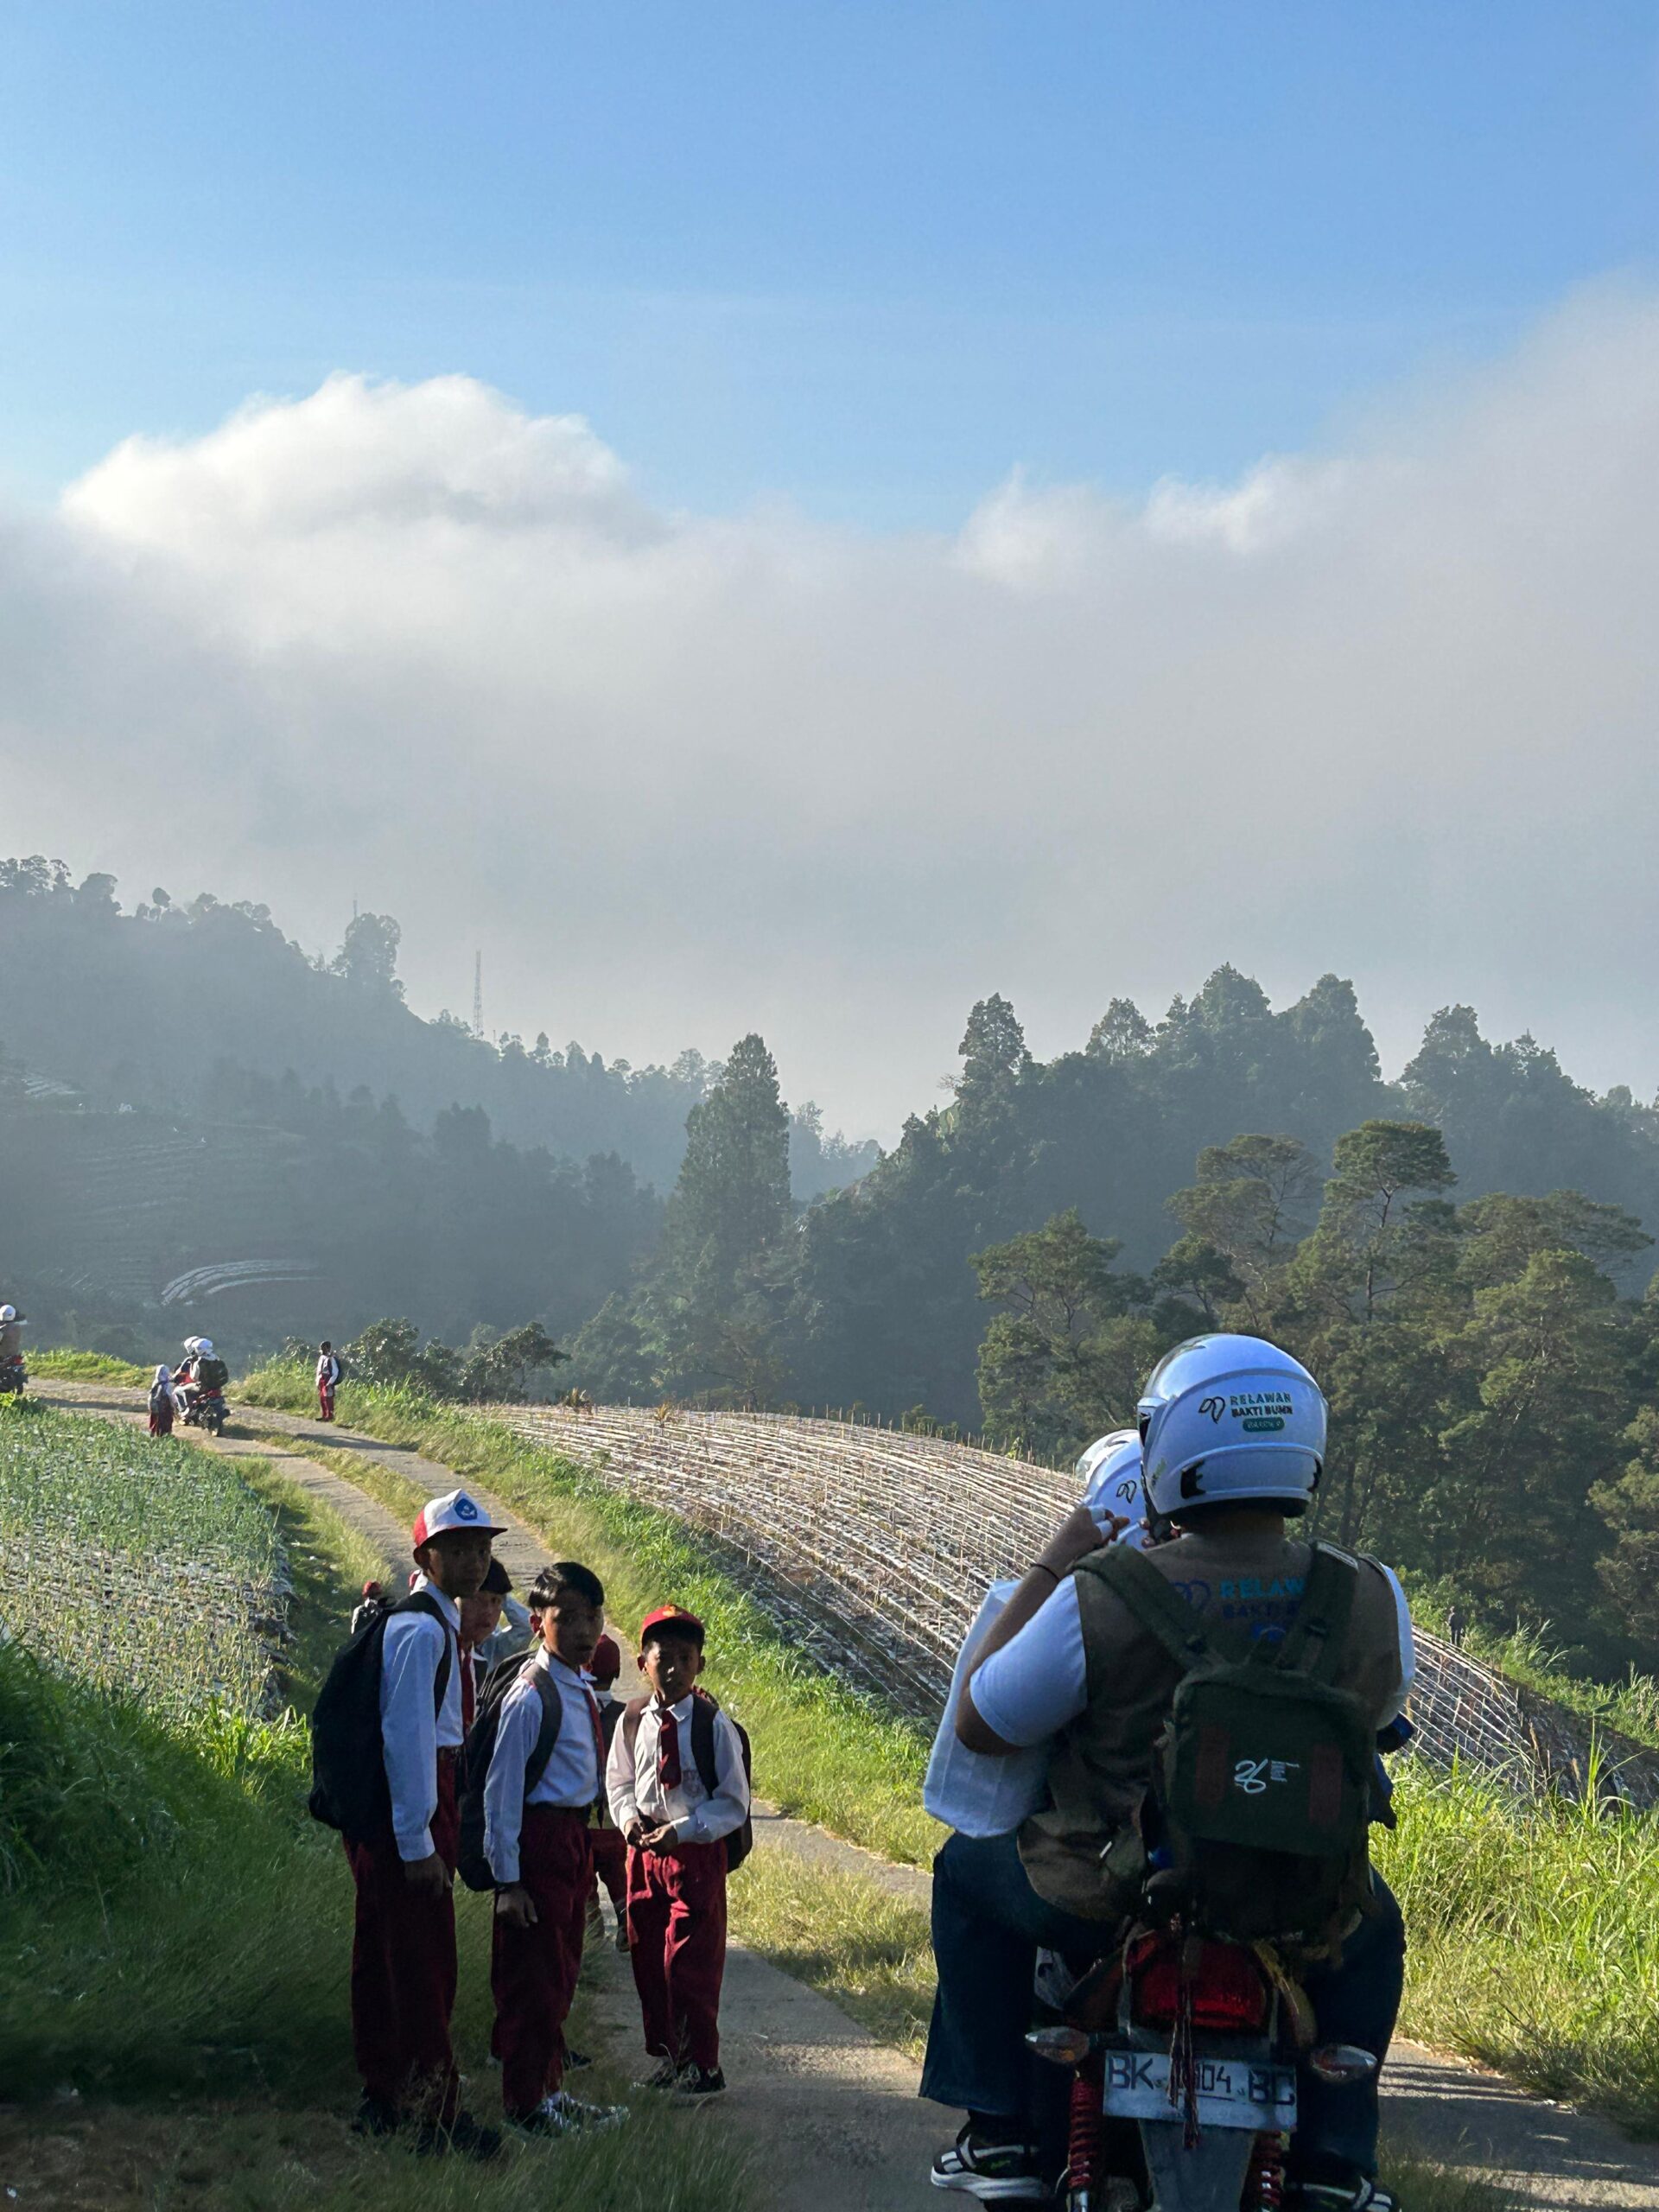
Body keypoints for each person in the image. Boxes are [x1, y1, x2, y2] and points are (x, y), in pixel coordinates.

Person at [924, 1335, 1412, 2212]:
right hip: (1297, 1898)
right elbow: (1376, 1721)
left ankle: (996, 2124)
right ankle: (1337, 2155)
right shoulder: (1371, 1594)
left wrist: (1054, 1558)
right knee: (1376, 1925)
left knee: (964, 1873)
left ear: (1173, 1448)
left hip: (1109, 1892)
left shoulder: (1102, 1591)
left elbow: (983, 1720)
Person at [346, 1487, 505, 2159]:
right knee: (422, 1962)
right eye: (458, 1549)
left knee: (389, 1955)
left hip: (414, 1803)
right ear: (426, 1556)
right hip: (412, 1806)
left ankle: (385, 2095)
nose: (473, 1562)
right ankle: (432, 2114)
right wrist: (417, 1841)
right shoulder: (421, 1631)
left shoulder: (435, 1626)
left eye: (481, 1548)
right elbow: (407, 1738)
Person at [483, 1562, 627, 2138]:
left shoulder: (577, 1686)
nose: (582, 1629)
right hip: (538, 1841)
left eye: (592, 1616)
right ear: (539, 1622)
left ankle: (550, 2091)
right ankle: (523, 2105)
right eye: (565, 1617)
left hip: (572, 1840)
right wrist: (509, 1882)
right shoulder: (530, 1695)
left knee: (561, 1975)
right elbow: (501, 1795)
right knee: (532, 1982)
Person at [607, 1605, 750, 2100]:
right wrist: (628, 1821)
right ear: (642, 1662)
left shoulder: (713, 1725)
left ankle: (703, 2066)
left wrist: (685, 1831)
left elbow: (734, 1802)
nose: (673, 1668)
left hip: (693, 1853)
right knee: (649, 1956)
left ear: (700, 1666)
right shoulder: (632, 1721)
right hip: (644, 1851)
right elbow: (619, 1781)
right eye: (662, 1657)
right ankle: (670, 2057)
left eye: (685, 1658)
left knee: (690, 1961)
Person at [586, 1632, 630, 1951]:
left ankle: (591, 1931)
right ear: (617, 1673)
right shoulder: (628, 1716)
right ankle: (628, 1920)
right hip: (616, 1819)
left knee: (584, 1880)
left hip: (582, 1819)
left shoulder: (576, 1709)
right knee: (618, 1875)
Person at [147, 1363, 176, 1437]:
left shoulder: (156, 1381)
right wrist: (175, 1405)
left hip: (153, 1405)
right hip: (164, 1407)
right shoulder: (166, 1384)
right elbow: (170, 1396)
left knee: (154, 1419)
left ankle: (153, 1433)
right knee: (165, 1420)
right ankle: (164, 1434)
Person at [317, 1340, 341, 1422]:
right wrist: (318, 1381)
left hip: (328, 1380)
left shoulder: (331, 1359)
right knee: (322, 1398)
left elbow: (335, 1373)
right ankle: (324, 1415)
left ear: (328, 1348)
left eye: (324, 1348)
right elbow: (319, 1371)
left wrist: (330, 1383)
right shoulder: (322, 1358)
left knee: (329, 1398)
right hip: (322, 1379)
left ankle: (330, 1416)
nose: (322, 1351)